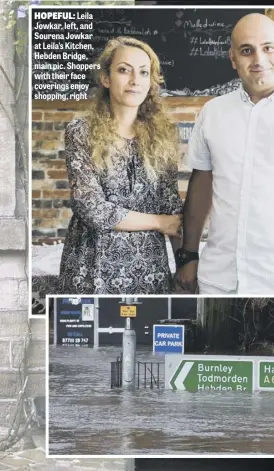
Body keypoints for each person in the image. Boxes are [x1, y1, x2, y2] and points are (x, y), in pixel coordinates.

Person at [59, 36, 183, 294]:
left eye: (143, 72)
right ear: (106, 78)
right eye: (124, 70)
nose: (135, 80)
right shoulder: (81, 132)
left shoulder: (164, 136)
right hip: (93, 270)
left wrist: (186, 267)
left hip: (150, 272)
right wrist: (160, 222)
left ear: (151, 82)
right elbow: (92, 209)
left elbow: (172, 209)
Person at [173, 12, 274, 295]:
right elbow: (201, 184)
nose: (258, 60)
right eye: (246, 50)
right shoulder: (213, 112)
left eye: (268, 48)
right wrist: (189, 255)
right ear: (233, 59)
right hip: (219, 278)